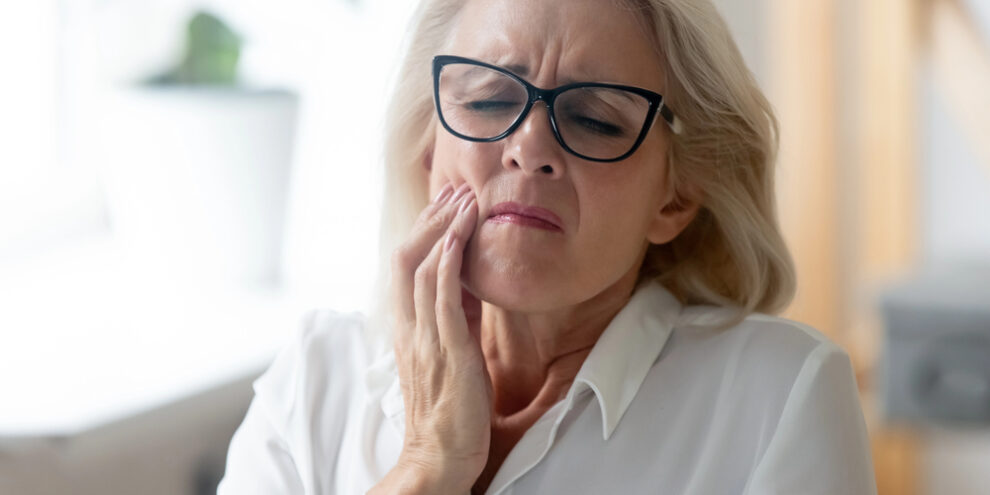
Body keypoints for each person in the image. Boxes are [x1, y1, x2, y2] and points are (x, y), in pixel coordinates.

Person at [218, 0, 878, 493]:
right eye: (485, 101)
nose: (530, 146)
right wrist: (428, 464)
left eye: (594, 118)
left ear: (674, 199)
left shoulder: (778, 393)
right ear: (429, 152)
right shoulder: (314, 379)